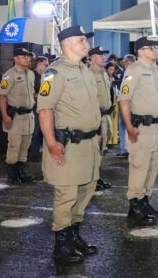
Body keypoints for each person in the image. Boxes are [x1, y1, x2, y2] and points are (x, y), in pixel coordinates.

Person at [37, 26, 101, 264]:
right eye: (82, 40)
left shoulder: (84, 69)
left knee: (87, 189)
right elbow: (45, 109)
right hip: (68, 144)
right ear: (67, 44)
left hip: (88, 143)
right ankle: (62, 245)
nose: (86, 44)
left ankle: (74, 235)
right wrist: (51, 142)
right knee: (67, 193)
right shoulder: (55, 72)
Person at [118, 37, 158, 226]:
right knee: (139, 168)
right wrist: (129, 127)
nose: (156, 50)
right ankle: (135, 206)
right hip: (141, 128)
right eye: (152, 47)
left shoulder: (154, 69)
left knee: (151, 168)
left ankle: (145, 202)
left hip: (155, 127)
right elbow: (124, 100)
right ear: (141, 51)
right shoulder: (134, 70)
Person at [0, 47, 36, 184]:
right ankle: (12, 173)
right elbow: (1, 96)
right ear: (16, 59)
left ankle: (21, 171)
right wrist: (5, 116)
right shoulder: (9, 75)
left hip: (29, 116)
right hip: (16, 117)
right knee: (14, 145)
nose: (27, 59)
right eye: (24, 56)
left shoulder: (31, 74)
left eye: (28, 57)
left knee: (25, 145)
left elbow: (32, 93)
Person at [89, 46, 114, 192]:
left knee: (101, 149)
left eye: (104, 55)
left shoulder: (103, 73)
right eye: (100, 55)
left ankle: (97, 177)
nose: (103, 58)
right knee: (94, 150)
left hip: (105, 115)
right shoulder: (89, 74)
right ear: (92, 58)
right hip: (95, 117)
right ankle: (92, 179)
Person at [29, 56, 50, 159]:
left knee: (44, 130)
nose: (47, 67)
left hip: (43, 108)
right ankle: (34, 154)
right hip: (35, 108)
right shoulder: (32, 75)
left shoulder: (46, 76)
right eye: (46, 65)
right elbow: (31, 93)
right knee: (35, 131)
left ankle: (39, 151)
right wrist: (42, 98)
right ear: (39, 64)